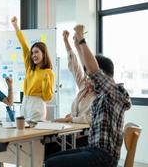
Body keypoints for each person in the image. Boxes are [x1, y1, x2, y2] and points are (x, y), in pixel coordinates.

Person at [45, 25, 131, 167]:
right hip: (93, 150)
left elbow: (92, 70)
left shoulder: (115, 93)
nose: (88, 79)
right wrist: (76, 43)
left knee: (52, 164)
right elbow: (84, 68)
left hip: (103, 156)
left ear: (103, 75)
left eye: (91, 77)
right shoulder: (102, 94)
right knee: (49, 159)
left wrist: (81, 38)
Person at [45, 30, 97, 157]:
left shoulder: (100, 95)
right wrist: (66, 42)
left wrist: (70, 119)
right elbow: (74, 66)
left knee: (50, 149)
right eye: (87, 76)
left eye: (91, 77)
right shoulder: (84, 86)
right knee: (46, 146)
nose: (87, 79)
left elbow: (89, 119)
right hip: (73, 134)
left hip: (85, 139)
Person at [11, 16, 54, 121]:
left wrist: (45, 81)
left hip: (37, 104)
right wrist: (16, 26)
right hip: (25, 101)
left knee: (34, 134)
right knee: (23, 132)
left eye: (37, 52)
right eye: (32, 53)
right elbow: (24, 45)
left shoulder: (48, 72)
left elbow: (48, 97)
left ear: (43, 54)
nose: (33, 55)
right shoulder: (30, 67)